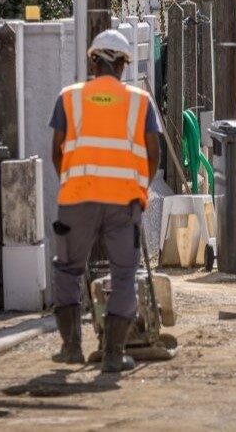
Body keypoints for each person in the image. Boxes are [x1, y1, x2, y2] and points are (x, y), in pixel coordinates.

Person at [49, 29, 161, 373]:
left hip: (77, 199)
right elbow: (153, 153)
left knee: (67, 270)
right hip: (123, 202)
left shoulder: (68, 98)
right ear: (124, 65)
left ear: (92, 60)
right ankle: (113, 354)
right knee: (124, 274)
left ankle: (71, 348)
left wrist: (72, 183)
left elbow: (57, 150)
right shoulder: (140, 102)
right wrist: (139, 190)